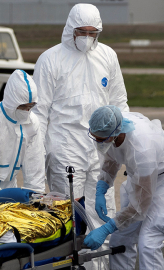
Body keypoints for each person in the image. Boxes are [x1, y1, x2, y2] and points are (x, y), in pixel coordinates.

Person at [32, 3, 129, 233]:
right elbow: (39, 113)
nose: (86, 38)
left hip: (100, 147)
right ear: (70, 29)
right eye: (82, 32)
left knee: (101, 210)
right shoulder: (50, 59)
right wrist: (39, 153)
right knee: (69, 216)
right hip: (64, 146)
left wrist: (123, 139)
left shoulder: (107, 56)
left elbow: (119, 100)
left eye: (92, 33)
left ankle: (99, 264)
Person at [82, 105, 164, 269]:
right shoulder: (112, 123)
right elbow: (112, 158)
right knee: (120, 239)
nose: (98, 142)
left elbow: (141, 205)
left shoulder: (141, 149)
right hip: (142, 177)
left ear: (115, 135)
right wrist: (101, 188)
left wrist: (108, 227)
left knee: (149, 241)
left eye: (101, 139)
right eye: (94, 137)